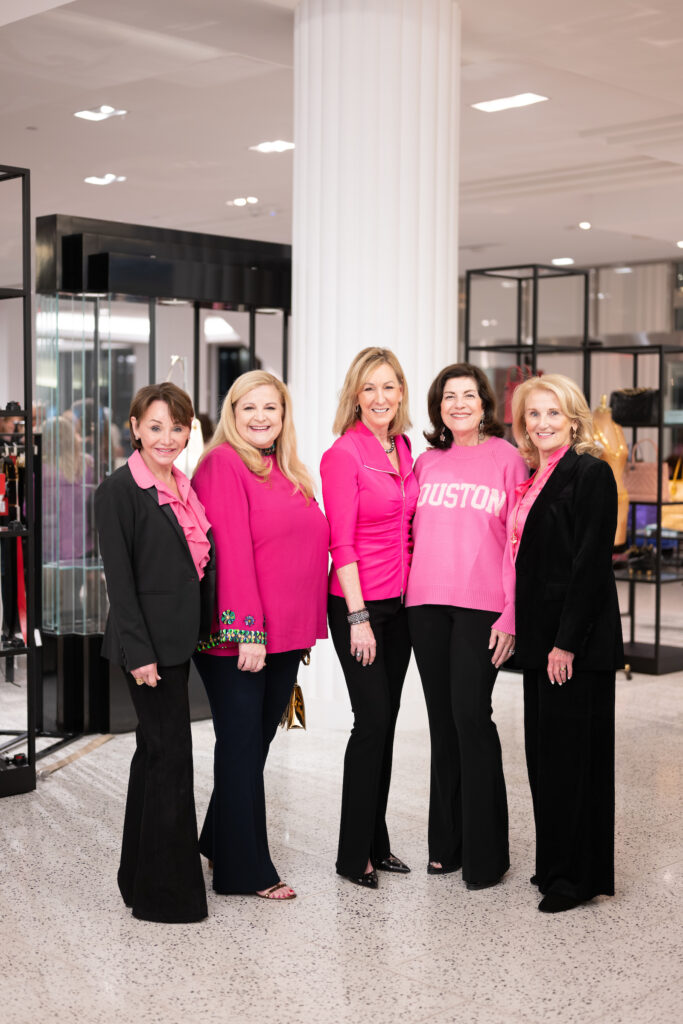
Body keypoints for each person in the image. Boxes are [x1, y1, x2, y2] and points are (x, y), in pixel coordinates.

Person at [191, 370, 329, 901]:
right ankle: (243, 871)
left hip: (285, 635)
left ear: (283, 414)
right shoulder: (223, 463)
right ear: (231, 413)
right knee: (243, 744)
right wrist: (247, 631)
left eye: (270, 408)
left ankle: (216, 837)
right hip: (239, 638)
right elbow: (230, 553)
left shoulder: (287, 470)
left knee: (255, 744)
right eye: (248, 407)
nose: (260, 417)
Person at [95, 382, 215, 923]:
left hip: (176, 644)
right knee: (172, 760)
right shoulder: (119, 490)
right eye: (157, 426)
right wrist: (139, 653)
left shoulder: (182, 486)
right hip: (145, 651)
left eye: (179, 427)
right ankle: (166, 898)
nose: (168, 437)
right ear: (135, 427)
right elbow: (119, 582)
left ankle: (135, 877)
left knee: (154, 757)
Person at [405, 363, 527, 889]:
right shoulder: (426, 462)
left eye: (469, 395)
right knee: (441, 723)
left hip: (482, 607)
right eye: (449, 396)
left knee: (471, 717)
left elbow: (521, 541)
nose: (459, 404)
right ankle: (446, 844)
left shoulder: (508, 459)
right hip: (426, 604)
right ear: (439, 407)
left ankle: (486, 852)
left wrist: (511, 613)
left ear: (484, 405)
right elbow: (402, 530)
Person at [509, 374, 623, 913]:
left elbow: (590, 565)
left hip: (573, 644)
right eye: (533, 415)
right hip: (542, 642)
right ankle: (555, 865)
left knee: (573, 761)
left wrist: (566, 643)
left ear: (573, 419)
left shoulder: (590, 472)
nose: (543, 423)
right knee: (546, 758)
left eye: (552, 413)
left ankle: (574, 879)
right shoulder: (538, 475)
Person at [321, 347, 419, 889]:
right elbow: (342, 543)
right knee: (372, 723)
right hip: (359, 606)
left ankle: (376, 844)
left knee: (386, 725)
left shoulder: (405, 448)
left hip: (402, 607)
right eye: (369, 389)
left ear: (401, 391)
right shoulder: (344, 454)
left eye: (389, 387)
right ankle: (351, 853)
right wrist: (357, 617)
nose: (380, 398)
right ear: (355, 396)